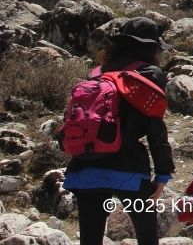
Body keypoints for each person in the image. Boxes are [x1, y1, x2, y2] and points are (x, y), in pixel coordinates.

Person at [63, 16, 175, 245]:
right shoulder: (149, 74)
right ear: (151, 47)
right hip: (128, 167)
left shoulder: (97, 73)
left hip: (86, 165)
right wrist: (163, 173)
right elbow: (156, 130)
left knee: (90, 240)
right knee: (147, 238)